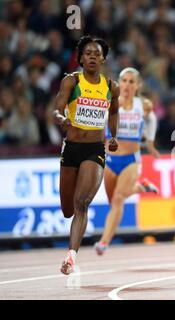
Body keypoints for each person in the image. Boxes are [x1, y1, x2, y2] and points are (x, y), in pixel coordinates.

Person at [53, 35, 119, 275]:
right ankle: (73, 244)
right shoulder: (71, 82)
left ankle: (71, 256)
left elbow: (114, 112)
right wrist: (62, 118)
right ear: (81, 58)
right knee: (67, 209)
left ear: (103, 59)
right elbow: (57, 108)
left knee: (82, 203)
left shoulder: (111, 87)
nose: (92, 56)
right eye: (88, 53)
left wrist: (113, 136)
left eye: (97, 53)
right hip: (70, 148)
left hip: (94, 150)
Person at [94, 67, 160, 255]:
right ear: (118, 83)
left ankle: (103, 242)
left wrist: (150, 142)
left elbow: (152, 120)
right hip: (110, 159)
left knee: (118, 199)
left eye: (132, 82)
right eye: (124, 80)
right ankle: (141, 187)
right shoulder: (109, 103)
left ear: (137, 85)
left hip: (131, 160)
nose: (127, 85)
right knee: (112, 200)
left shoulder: (143, 105)